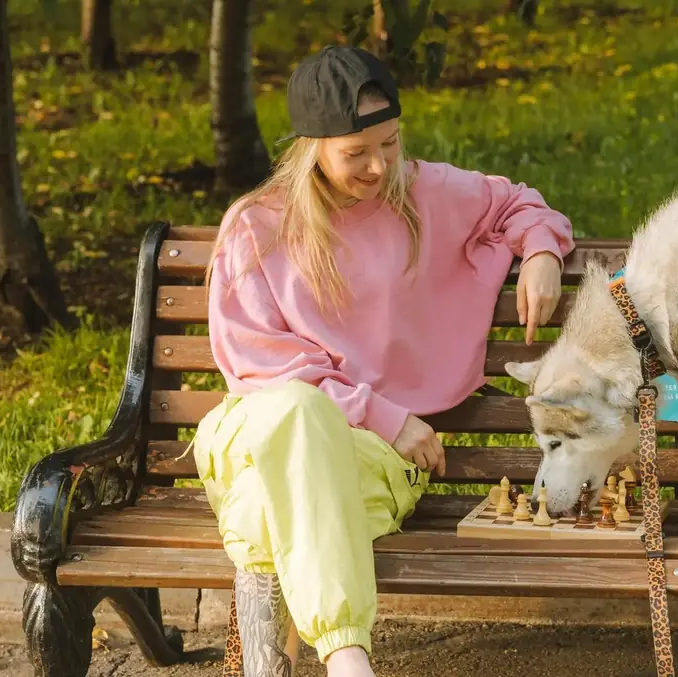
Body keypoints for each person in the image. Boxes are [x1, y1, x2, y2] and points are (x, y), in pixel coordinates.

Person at [193, 45, 575, 676]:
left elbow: (519, 203)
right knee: (295, 408)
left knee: (274, 509)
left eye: (390, 144)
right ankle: (347, 659)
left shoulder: (426, 192)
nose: (379, 166)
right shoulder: (256, 227)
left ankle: (291, 666)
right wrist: (384, 415)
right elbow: (259, 364)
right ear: (311, 145)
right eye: (356, 153)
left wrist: (540, 252)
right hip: (259, 431)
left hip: (365, 460)